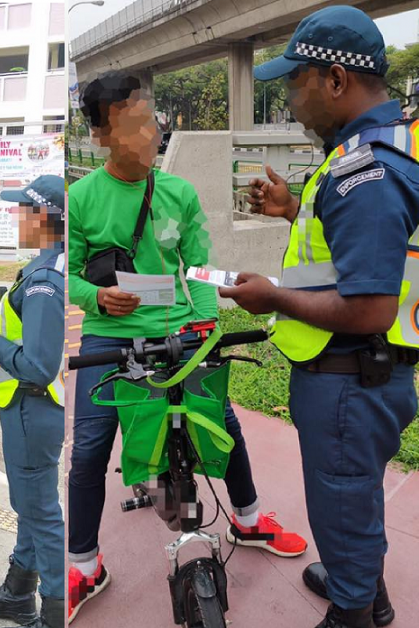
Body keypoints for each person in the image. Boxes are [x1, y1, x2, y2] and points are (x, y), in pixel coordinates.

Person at [66, 72, 307, 622]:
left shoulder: (179, 192)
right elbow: (72, 277)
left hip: (181, 327)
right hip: (112, 332)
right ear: (103, 135)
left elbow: (196, 268)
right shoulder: (79, 199)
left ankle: (247, 521)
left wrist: (205, 330)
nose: (152, 133)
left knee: (221, 419)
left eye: (153, 120)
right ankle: (84, 565)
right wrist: (99, 298)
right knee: (87, 449)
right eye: (136, 125)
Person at [222, 8, 416, 628]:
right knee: (349, 499)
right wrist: (288, 212)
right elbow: (351, 260)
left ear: (335, 80)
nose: (291, 100)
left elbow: (368, 306)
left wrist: (273, 297)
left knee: (341, 501)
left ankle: (355, 611)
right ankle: (361, 582)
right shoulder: (364, 153)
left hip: (351, 379)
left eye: (295, 83)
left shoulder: (368, 171)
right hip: (355, 376)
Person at [0, 175, 66, 628]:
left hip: (32, 405)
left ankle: (56, 612)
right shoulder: (51, 265)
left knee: (41, 513)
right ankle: (18, 593)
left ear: (43, 218)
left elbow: (39, 364)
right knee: (30, 503)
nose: (16, 216)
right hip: (33, 409)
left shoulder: (44, 280)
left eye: (23, 208)